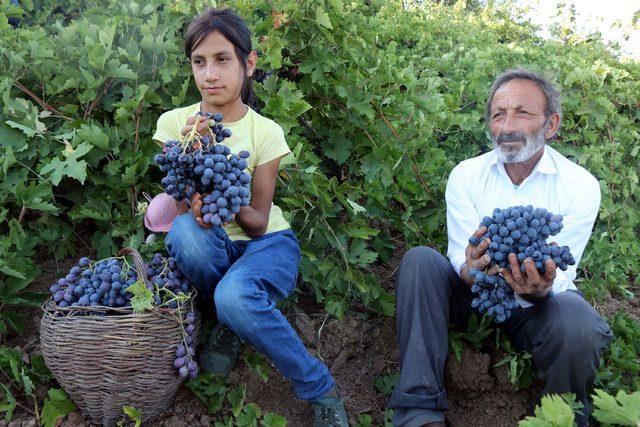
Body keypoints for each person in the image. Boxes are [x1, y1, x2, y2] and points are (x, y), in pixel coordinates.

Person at [151, 8, 348, 426]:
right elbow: (184, 209)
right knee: (186, 233)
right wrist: (195, 172)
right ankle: (234, 317)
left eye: (222, 59)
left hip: (266, 243)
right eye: (199, 62)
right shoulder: (174, 125)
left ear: (249, 63)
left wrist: (221, 180)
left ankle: (321, 389)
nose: (209, 74)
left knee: (234, 295)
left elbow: (257, 219)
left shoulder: (266, 132)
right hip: (211, 245)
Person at [388, 68, 613, 427]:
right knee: (420, 262)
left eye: (522, 113)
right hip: (477, 294)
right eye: (498, 114)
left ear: (550, 124)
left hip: (537, 306)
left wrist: (539, 292)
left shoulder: (579, 185)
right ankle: (418, 412)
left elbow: (562, 270)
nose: (508, 125)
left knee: (580, 327)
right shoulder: (466, 175)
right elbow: (461, 263)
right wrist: (471, 268)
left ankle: (558, 418)